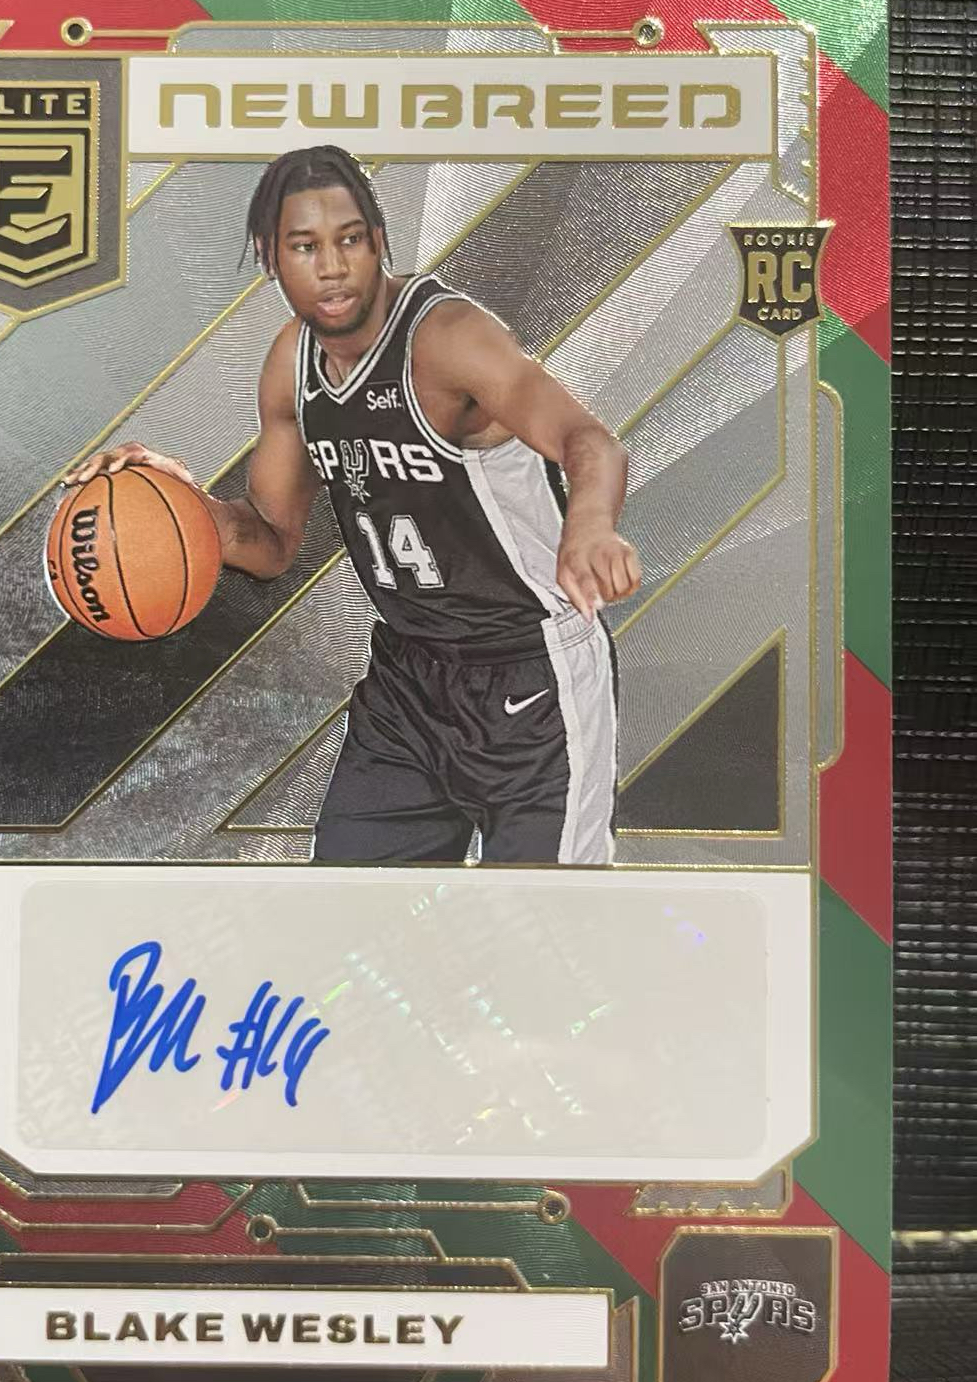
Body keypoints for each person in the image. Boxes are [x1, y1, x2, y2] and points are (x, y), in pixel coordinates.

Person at [67, 146, 641, 864]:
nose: (332, 267)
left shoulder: (447, 340)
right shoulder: (292, 366)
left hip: (531, 671)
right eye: (305, 247)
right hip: (408, 679)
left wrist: (589, 526)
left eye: (349, 240)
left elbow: (588, 440)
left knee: (545, 921)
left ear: (378, 241)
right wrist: (181, 511)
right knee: (348, 910)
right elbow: (271, 540)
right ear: (271, 257)